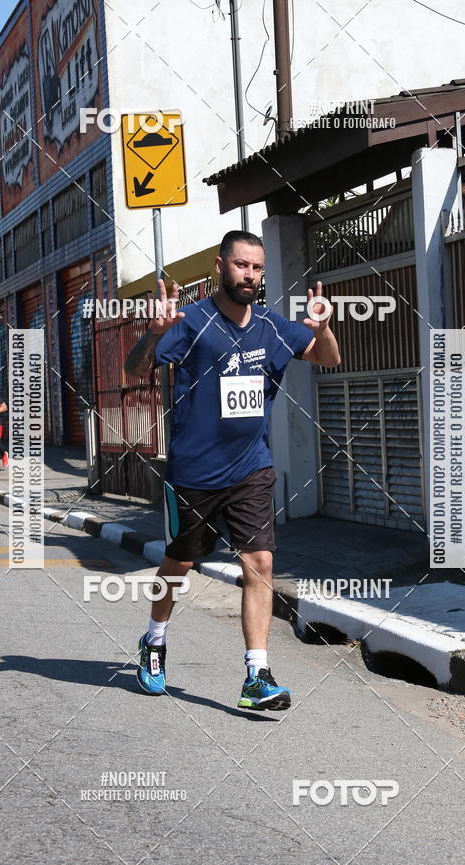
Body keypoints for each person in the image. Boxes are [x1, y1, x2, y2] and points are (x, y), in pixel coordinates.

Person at [124, 230, 341, 710]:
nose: (251, 275)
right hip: (194, 473)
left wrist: (322, 328)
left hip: (251, 469)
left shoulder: (271, 326)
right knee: (179, 564)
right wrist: (155, 334)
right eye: (242, 265)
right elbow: (134, 369)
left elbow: (328, 359)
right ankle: (154, 639)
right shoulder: (192, 321)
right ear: (221, 266)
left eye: (258, 268)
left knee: (260, 562)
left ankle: (256, 674)